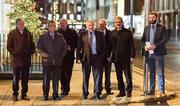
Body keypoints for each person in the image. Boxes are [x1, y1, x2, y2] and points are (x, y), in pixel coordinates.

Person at [76, 20, 106, 100]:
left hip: (97, 57)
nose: (91, 27)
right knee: (85, 77)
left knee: (97, 77)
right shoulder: (82, 34)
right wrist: (78, 58)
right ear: (86, 26)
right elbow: (79, 46)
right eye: (89, 25)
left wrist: (101, 57)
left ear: (94, 25)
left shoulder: (100, 34)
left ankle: (97, 93)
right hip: (86, 58)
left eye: (92, 25)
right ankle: (85, 94)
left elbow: (104, 46)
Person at [37, 20, 66, 100]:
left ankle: (55, 94)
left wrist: (61, 57)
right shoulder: (43, 37)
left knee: (56, 79)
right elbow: (39, 48)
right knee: (46, 79)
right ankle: (45, 94)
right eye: (50, 25)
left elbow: (64, 48)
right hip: (47, 62)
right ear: (48, 26)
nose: (52, 27)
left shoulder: (60, 36)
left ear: (55, 26)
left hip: (57, 62)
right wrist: (44, 55)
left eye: (53, 25)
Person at [7, 18, 35, 101]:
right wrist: (14, 53)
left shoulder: (28, 33)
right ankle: (15, 94)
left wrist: (31, 51)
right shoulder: (12, 33)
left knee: (25, 78)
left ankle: (24, 94)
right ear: (17, 25)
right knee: (16, 78)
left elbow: (32, 45)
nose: (22, 25)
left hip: (26, 60)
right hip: (17, 60)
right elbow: (9, 46)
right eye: (20, 24)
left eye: (23, 23)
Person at [141, 12, 168, 97]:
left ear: (156, 18)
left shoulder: (162, 28)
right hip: (149, 54)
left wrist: (155, 46)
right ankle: (152, 90)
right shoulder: (146, 28)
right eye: (150, 17)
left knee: (160, 73)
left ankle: (161, 91)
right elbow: (143, 39)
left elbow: (165, 40)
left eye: (153, 17)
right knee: (151, 72)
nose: (151, 19)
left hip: (159, 53)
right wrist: (144, 46)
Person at [108, 16, 136, 97]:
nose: (118, 23)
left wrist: (132, 56)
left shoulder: (128, 32)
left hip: (126, 58)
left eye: (119, 22)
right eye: (116, 22)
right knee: (119, 76)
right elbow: (109, 46)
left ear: (122, 22)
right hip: (116, 58)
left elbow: (132, 45)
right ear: (115, 23)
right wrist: (108, 56)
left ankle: (129, 91)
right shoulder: (112, 33)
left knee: (128, 76)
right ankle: (121, 91)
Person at [57, 18, 78, 96]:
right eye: (61, 23)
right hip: (60, 57)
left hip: (69, 56)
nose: (62, 24)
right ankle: (63, 88)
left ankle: (66, 88)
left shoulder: (73, 32)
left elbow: (77, 43)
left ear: (67, 24)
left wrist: (71, 47)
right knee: (61, 73)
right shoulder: (57, 32)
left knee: (68, 73)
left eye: (64, 23)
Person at [98, 19, 113, 95]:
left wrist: (109, 56)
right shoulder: (95, 33)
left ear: (105, 24)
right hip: (99, 58)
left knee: (108, 74)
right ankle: (99, 89)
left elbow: (111, 46)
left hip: (107, 58)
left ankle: (108, 89)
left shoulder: (110, 33)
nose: (101, 25)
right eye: (100, 24)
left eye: (103, 24)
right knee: (99, 74)